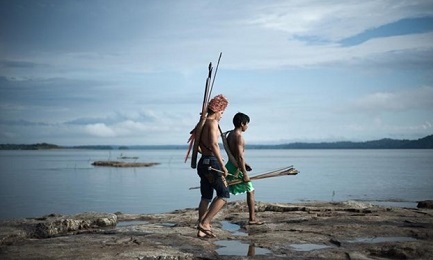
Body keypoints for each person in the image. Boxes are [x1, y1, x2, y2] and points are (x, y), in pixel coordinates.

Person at [196, 94, 230, 238]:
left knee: (206, 196)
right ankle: (205, 223)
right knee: (223, 195)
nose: (222, 116)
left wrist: (207, 154)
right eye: (222, 112)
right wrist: (222, 164)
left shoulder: (202, 122)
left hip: (203, 162)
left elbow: (197, 146)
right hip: (211, 163)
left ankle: (202, 229)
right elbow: (214, 144)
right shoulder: (212, 123)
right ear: (217, 110)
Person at [225, 112, 264, 225]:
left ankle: (206, 217)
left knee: (223, 193)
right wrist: (245, 172)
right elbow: (240, 157)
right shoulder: (239, 137)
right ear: (242, 124)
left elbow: (234, 154)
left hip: (230, 165)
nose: (247, 126)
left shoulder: (230, 135)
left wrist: (245, 163)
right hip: (237, 168)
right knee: (250, 190)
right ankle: (252, 219)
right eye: (247, 124)